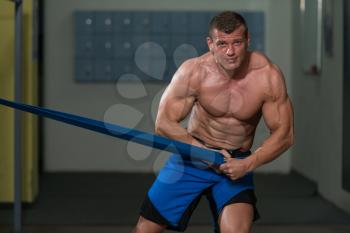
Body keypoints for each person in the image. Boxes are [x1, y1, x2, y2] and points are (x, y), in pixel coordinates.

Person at [132, 11, 294, 233]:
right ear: (210, 44)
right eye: (222, 44)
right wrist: (202, 152)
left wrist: (249, 163)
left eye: (237, 42)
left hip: (235, 163)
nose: (230, 51)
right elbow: (164, 122)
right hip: (192, 157)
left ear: (247, 40)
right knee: (145, 230)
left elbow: (285, 134)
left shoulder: (267, 75)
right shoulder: (194, 71)